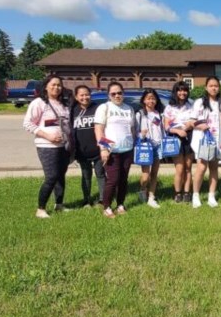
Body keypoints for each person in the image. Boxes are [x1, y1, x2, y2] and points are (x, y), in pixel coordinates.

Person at [22, 75, 71, 219]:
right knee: (51, 176)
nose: (57, 87)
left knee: (60, 176)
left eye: (59, 85)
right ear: (46, 87)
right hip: (47, 146)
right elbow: (28, 123)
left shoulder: (62, 104)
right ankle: (41, 209)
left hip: (63, 146)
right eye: (53, 85)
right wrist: (47, 136)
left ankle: (59, 204)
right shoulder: (39, 103)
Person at [94, 81, 136, 218]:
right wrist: (103, 149)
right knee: (113, 179)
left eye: (119, 93)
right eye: (113, 93)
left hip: (127, 149)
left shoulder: (129, 109)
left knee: (123, 179)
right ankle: (106, 206)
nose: (117, 95)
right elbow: (99, 129)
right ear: (109, 95)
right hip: (111, 150)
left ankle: (120, 204)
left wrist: (135, 144)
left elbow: (132, 129)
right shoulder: (104, 107)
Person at [189, 76, 221, 209]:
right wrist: (200, 126)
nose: (213, 88)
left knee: (214, 168)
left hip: (217, 140)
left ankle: (211, 196)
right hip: (202, 140)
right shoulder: (199, 102)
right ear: (206, 87)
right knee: (201, 168)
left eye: (216, 85)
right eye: (211, 85)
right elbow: (191, 121)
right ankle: (196, 195)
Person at [70, 85, 105, 208]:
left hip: (98, 150)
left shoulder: (98, 108)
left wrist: (104, 147)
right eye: (82, 95)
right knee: (86, 176)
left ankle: (102, 200)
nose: (85, 97)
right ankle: (86, 200)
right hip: (81, 151)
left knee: (100, 174)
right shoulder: (72, 110)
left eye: (87, 94)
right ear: (76, 97)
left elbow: (104, 128)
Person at [163, 81, 194, 203]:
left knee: (188, 167)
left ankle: (187, 193)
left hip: (189, 136)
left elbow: (195, 121)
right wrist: (177, 130)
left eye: (185, 90)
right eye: (180, 90)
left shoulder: (191, 104)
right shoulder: (170, 107)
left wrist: (189, 126)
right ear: (175, 92)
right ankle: (177, 193)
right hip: (175, 138)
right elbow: (166, 126)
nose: (182, 93)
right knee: (180, 168)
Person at [136, 88, 164, 209]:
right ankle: (142, 190)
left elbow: (161, 130)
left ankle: (151, 197)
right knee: (146, 175)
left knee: (154, 173)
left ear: (156, 100)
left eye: (153, 98)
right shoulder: (140, 114)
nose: (151, 101)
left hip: (158, 146)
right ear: (144, 100)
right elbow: (134, 131)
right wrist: (141, 134)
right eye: (148, 98)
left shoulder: (159, 114)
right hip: (145, 146)